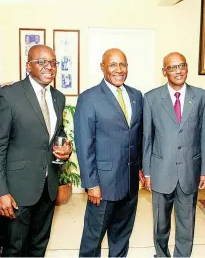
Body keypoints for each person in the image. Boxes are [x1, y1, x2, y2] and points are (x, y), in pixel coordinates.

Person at [0, 44, 71, 257]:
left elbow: (57, 134)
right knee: (14, 247)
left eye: (53, 63)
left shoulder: (58, 97)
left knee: (39, 245)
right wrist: (1, 192)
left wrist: (66, 150)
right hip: (17, 189)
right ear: (28, 66)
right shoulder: (9, 96)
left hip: (48, 186)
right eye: (42, 62)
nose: (49, 67)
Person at [74, 48, 144, 257]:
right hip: (103, 184)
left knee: (122, 235)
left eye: (123, 64)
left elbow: (137, 137)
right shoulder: (89, 98)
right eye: (113, 64)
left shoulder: (136, 96)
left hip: (130, 183)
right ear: (102, 67)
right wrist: (91, 183)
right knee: (93, 238)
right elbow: (84, 143)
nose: (119, 69)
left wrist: (140, 168)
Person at [143, 52, 205, 257]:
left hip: (190, 171)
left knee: (186, 224)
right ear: (164, 71)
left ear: (187, 68)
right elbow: (147, 137)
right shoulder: (152, 98)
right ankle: (161, 255)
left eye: (181, 65)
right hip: (160, 171)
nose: (178, 70)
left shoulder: (201, 97)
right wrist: (147, 173)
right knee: (160, 224)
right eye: (172, 67)